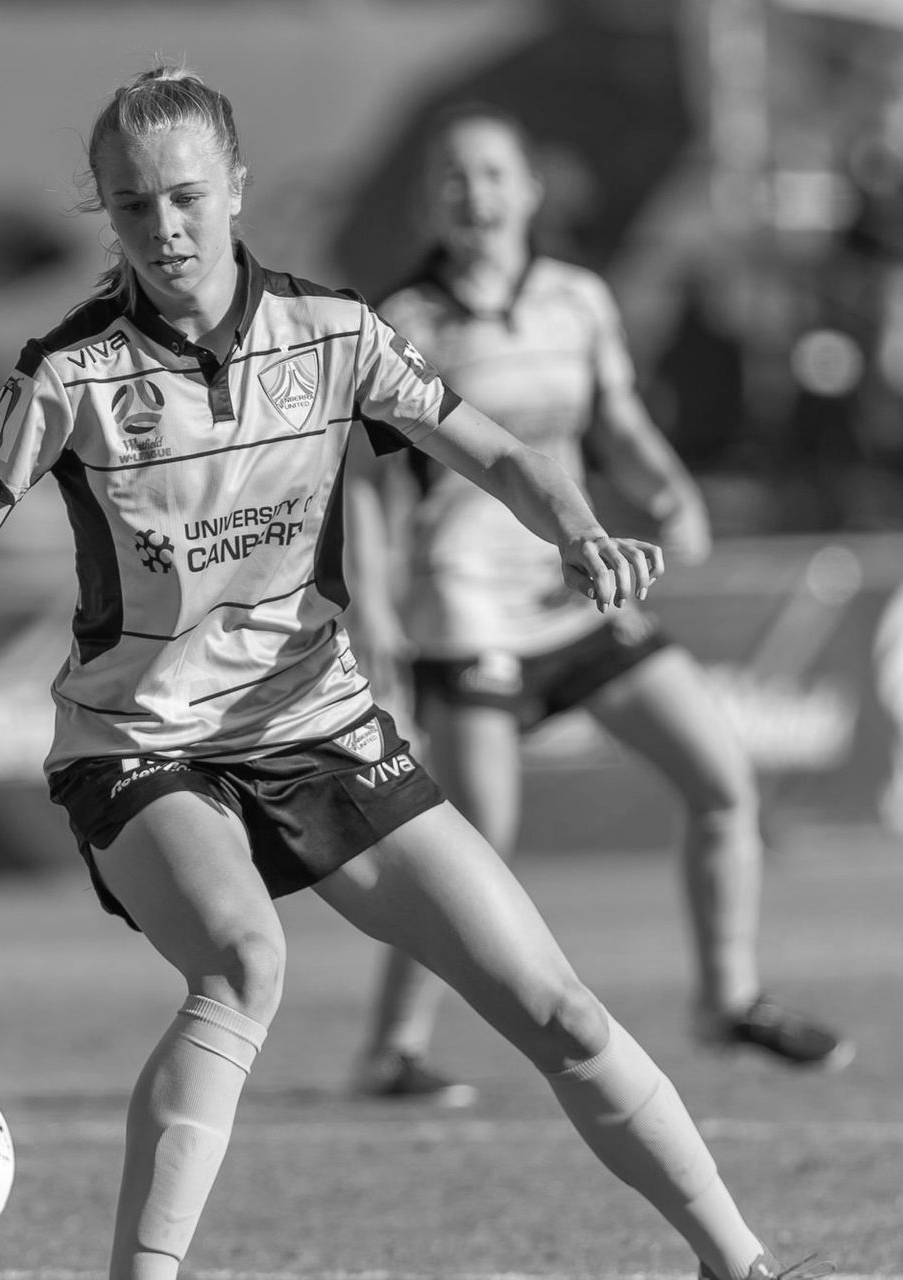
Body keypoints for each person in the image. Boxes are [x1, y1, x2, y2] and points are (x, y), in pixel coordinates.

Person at [0, 66, 831, 1280]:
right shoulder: (66, 374)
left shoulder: (338, 333)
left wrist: (577, 530)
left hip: (323, 723)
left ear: (238, 188)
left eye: (188, 197)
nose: (166, 229)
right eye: (133, 207)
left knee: (558, 1009)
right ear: (107, 212)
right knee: (245, 961)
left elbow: (497, 448)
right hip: (142, 746)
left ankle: (746, 1265)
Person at [345, 105, 852, 1107]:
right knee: (469, 840)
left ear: (530, 190)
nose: (475, 194)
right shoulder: (409, 319)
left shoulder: (579, 300)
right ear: (430, 202)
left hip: (577, 595)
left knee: (720, 776)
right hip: (468, 609)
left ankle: (727, 997)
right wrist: (377, 616)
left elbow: (616, 421)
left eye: (493, 174)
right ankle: (392, 1048)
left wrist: (669, 487)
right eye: (453, 178)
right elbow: (366, 481)